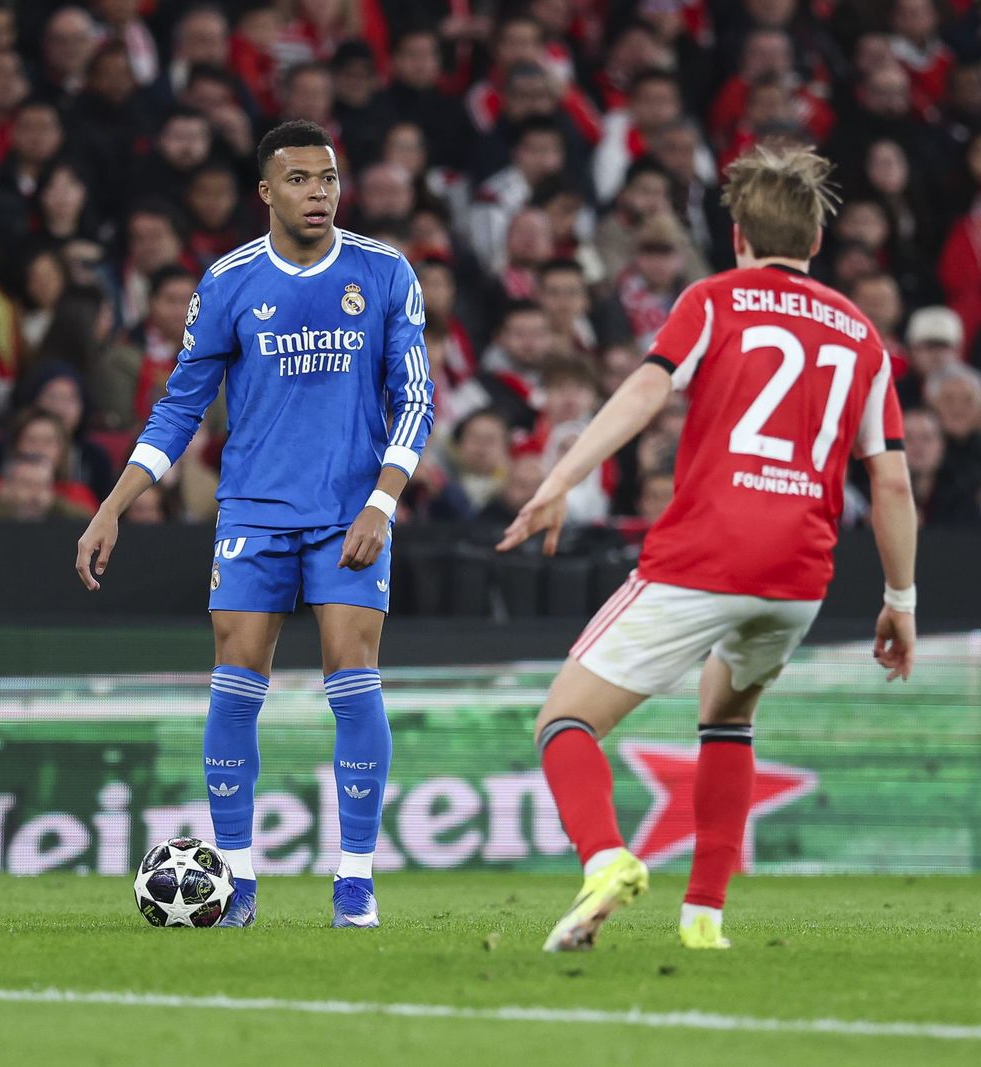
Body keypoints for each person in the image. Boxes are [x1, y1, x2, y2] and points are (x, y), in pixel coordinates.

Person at [498, 147, 916, 953]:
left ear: (736, 236)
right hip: (798, 573)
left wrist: (562, 476)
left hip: (706, 555)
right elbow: (892, 485)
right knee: (728, 716)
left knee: (564, 719)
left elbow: (649, 387)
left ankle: (606, 858)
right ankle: (703, 920)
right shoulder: (863, 336)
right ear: (817, 240)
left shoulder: (715, 299)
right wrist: (900, 601)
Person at [74, 120, 434, 929]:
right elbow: (179, 408)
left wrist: (382, 501)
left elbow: (416, 397)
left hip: (349, 513)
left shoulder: (383, 272)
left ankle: (356, 881)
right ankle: (235, 881)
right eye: (301, 180)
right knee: (237, 681)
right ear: (267, 192)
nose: (320, 193)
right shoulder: (230, 281)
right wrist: (112, 507)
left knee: (353, 671)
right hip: (254, 513)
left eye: (330, 178)